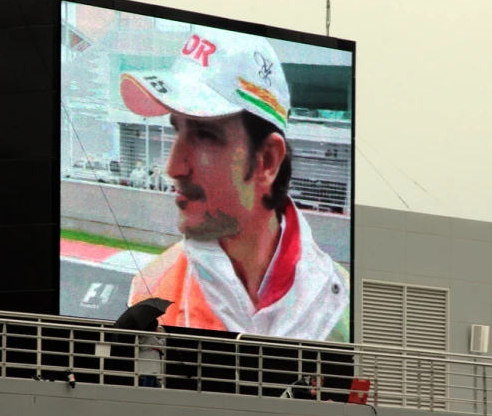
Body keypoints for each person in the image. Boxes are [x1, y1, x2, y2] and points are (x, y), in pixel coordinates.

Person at [120, 27, 350, 342]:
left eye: (204, 135)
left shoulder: (344, 307)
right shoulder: (151, 290)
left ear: (267, 160)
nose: (173, 168)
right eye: (178, 131)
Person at [137, 321, 166, 388]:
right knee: (149, 379)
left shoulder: (142, 336)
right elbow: (160, 345)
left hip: (145, 360)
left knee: (153, 380)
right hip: (151, 361)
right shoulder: (150, 336)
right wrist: (163, 337)